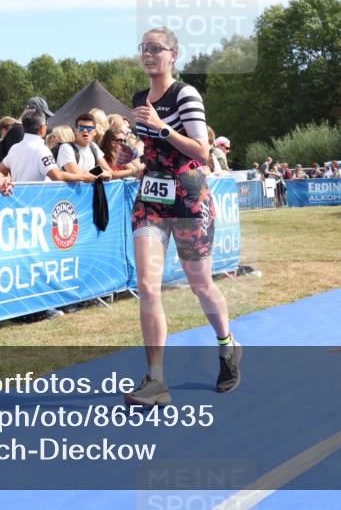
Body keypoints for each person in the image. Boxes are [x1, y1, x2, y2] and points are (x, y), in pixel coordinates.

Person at [124, 27, 240, 407]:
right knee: (147, 285)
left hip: (189, 199)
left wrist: (161, 126)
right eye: (145, 48)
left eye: (157, 48)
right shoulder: (140, 97)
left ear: (173, 55)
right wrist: (134, 157)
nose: (149, 54)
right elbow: (150, 147)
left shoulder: (185, 94)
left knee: (200, 283)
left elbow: (201, 151)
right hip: (152, 200)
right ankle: (156, 380)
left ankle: (227, 346)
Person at [0, 109, 99, 184]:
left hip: (19, 200)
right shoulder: (42, 150)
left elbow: (0, 170)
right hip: (38, 202)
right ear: (42, 128)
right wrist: (82, 176)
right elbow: (56, 176)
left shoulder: (15, 148)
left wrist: (9, 182)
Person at [0, 97, 53, 167]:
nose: (44, 118)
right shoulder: (19, 130)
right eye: (43, 114)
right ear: (33, 111)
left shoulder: (18, 128)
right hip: (0, 175)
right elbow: (15, 161)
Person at [57, 112, 117, 178]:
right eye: (81, 128)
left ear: (95, 132)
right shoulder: (66, 147)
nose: (85, 130)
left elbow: (109, 173)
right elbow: (77, 175)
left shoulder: (93, 146)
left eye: (89, 128)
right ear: (75, 131)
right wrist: (100, 171)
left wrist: (101, 172)